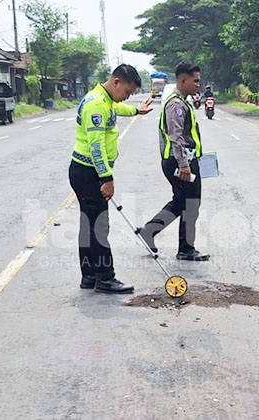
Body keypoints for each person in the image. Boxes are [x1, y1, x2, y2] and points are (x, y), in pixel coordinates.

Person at [69, 64, 154, 293]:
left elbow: (117, 109)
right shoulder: (97, 104)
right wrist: (106, 178)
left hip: (83, 170)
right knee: (98, 227)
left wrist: (137, 111)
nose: (126, 97)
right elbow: (96, 147)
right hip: (90, 172)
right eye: (127, 92)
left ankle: (89, 276)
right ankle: (105, 278)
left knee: (88, 225)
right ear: (117, 82)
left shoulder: (103, 99)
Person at [139, 62, 210, 261]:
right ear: (183, 80)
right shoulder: (176, 105)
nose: (198, 84)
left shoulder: (182, 101)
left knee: (182, 202)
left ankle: (150, 231)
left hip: (183, 160)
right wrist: (184, 164)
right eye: (195, 81)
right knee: (191, 203)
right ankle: (186, 249)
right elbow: (176, 137)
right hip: (179, 161)